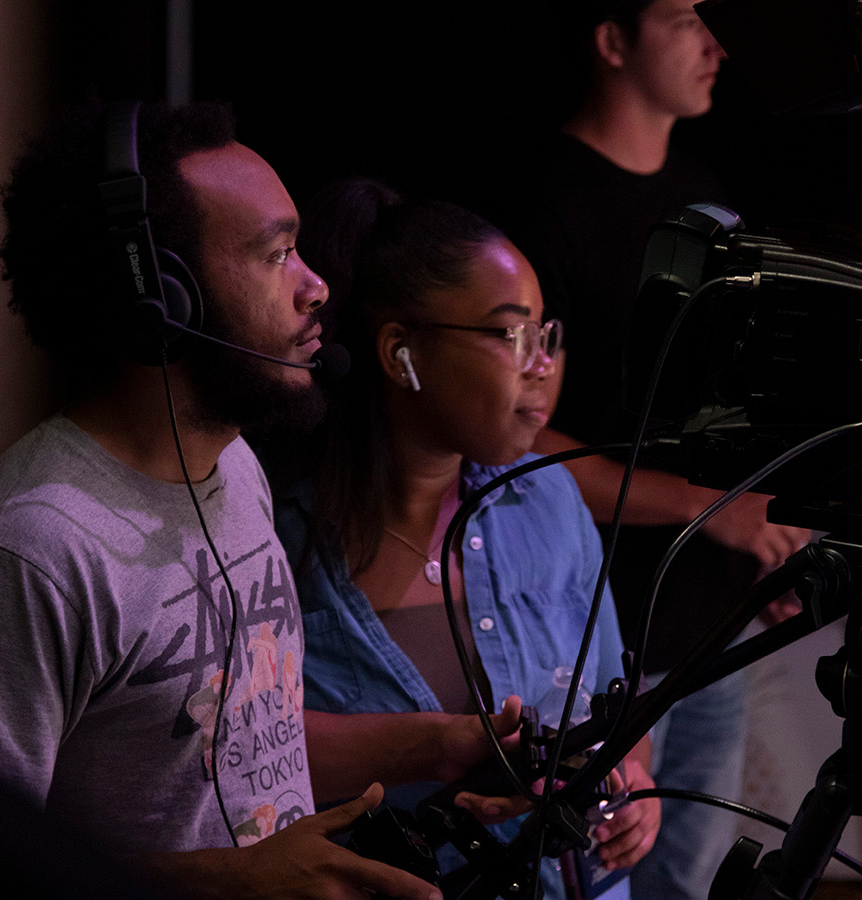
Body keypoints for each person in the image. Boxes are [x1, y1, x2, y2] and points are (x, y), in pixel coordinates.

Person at [0, 101, 476, 900]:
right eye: (277, 255)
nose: (317, 285)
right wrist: (236, 882)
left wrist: (443, 748)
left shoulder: (236, 468)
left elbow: (231, 743)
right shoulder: (27, 555)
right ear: (163, 299)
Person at [484, 3, 814, 899]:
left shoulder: (703, 195)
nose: (716, 43)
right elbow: (514, 440)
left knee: (693, 880)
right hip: (598, 636)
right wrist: (716, 514)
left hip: (708, 624)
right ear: (612, 38)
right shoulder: (538, 206)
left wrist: (763, 542)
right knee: (607, 877)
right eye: (681, 20)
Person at [271, 176, 661, 899]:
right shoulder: (275, 531)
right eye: (510, 333)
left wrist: (634, 783)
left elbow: (615, 700)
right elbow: (243, 753)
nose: (541, 364)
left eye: (546, 335)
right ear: (400, 354)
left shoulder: (547, 493)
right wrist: (432, 749)